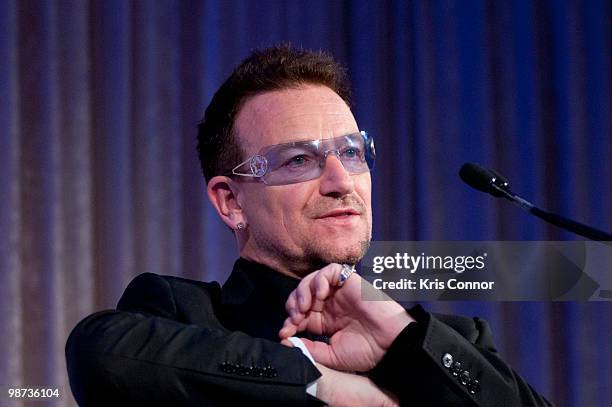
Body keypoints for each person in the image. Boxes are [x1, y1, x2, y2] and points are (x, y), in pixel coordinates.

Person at [66, 44, 553, 406]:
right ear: (230, 201)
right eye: (299, 160)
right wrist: (323, 385)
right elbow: (102, 357)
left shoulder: (453, 339)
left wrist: (403, 337)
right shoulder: (184, 315)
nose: (342, 181)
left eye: (351, 153)